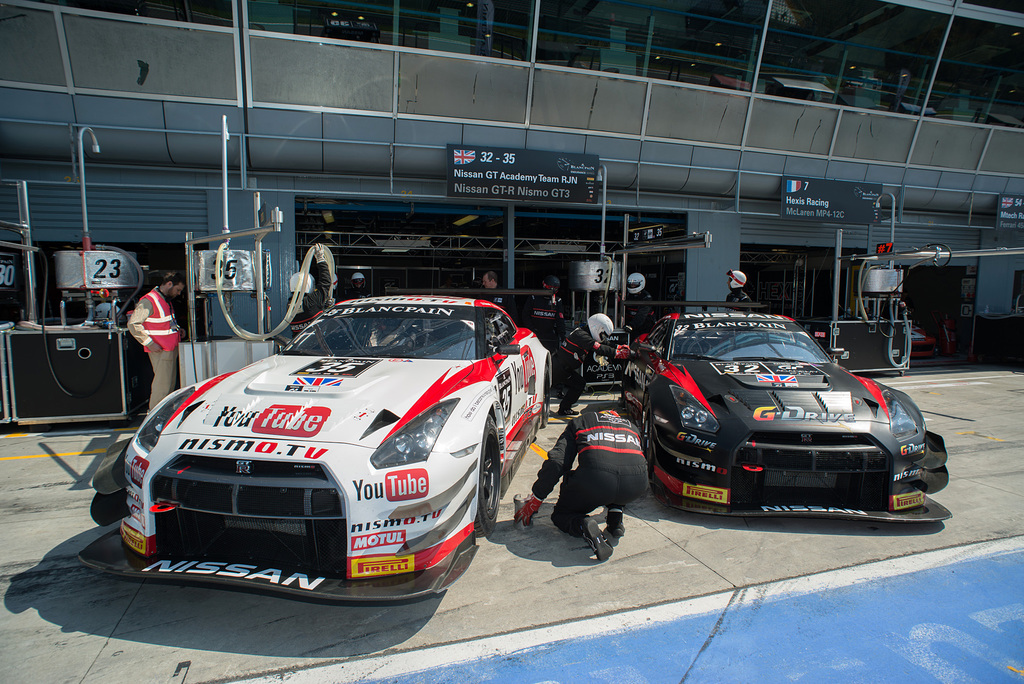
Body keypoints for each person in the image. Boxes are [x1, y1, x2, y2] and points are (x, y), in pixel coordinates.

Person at [513, 409, 648, 561]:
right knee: (620, 473)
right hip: (637, 484)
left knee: (561, 515)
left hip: (597, 480)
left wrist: (537, 498)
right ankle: (615, 520)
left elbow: (557, 462)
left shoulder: (581, 421)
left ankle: (583, 525)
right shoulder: (631, 426)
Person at [552, 313, 631, 417]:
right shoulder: (582, 336)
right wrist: (617, 353)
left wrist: (618, 346)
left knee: (579, 384)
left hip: (564, 368)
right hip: (558, 367)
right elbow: (599, 348)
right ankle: (563, 408)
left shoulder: (585, 333)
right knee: (544, 391)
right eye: (602, 334)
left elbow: (603, 343)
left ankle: (564, 409)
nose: (602, 337)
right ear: (597, 327)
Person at [128, 271, 185, 411]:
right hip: (161, 350)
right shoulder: (150, 300)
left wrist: (178, 330)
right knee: (162, 387)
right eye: (178, 290)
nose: (178, 294)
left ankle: (162, 414)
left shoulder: (163, 300)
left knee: (168, 386)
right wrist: (148, 343)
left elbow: (163, 323)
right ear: (169, 284)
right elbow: (133, 324)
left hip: (168, 348)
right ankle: (154, 415)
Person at [289, 244, 334, 335]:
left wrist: (324, 307)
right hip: (317, 344)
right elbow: (325, 282)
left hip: (297, 344)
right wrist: (320, 259)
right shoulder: (311, 300)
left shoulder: (290, 304)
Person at [522, 274, 566, 354]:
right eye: (551, 288)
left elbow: (560, 321)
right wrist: (533, 330)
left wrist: (563, 337)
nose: (552, 291)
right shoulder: (533, 297)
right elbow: (525, 316)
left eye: (555, 289)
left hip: (549, 337)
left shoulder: (557, 301)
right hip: (534, 335)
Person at [622, 272, 654, 338]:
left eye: (634, 284)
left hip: (645, 328)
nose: (632, 286)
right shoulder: (626, 295)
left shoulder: (646, 297)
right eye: (630, 284)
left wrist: (631, 326)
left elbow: (641, 316)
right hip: (630, 327)